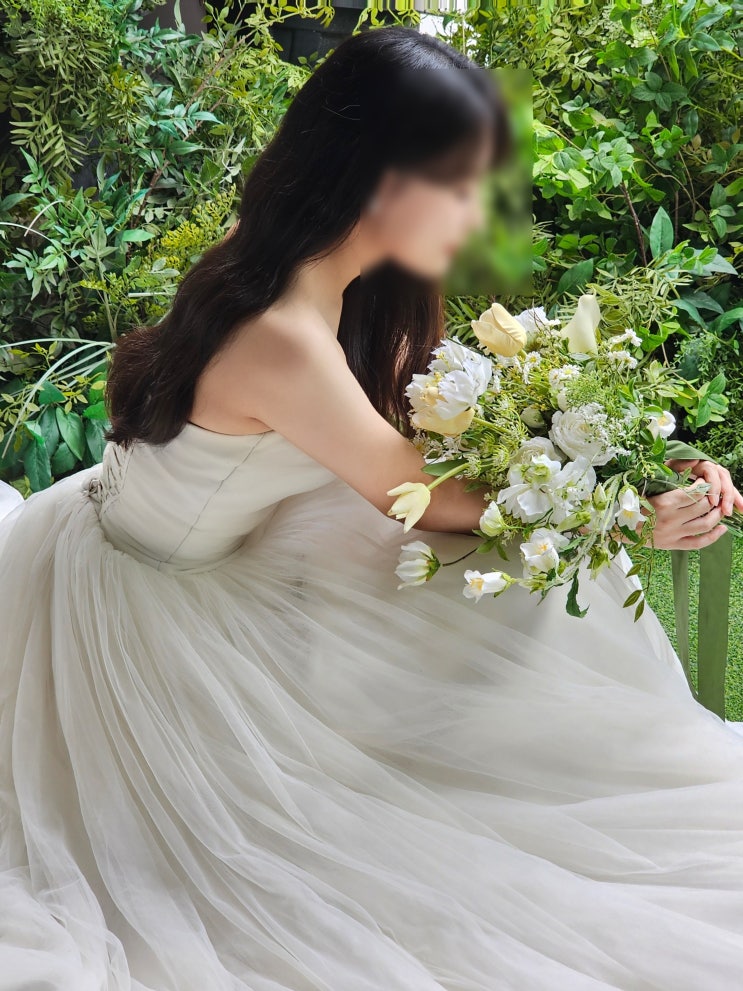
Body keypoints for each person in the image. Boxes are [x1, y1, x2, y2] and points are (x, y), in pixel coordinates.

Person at [1, 24, 743, 991]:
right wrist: (624, 510)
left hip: (219, 535)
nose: (478, 213)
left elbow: (438, 439)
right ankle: (537, 770)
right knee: (509, 578)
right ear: (380, 182)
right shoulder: (278, 333)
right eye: (461, 184)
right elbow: (420, 494)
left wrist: (635, 457)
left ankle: (541, 762)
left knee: (510, 577)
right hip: (146, 607)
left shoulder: (319, 276)